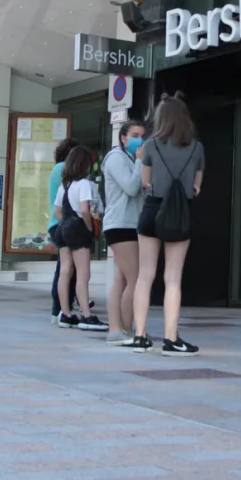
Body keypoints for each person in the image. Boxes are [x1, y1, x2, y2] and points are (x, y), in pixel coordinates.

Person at [131, 93, 205, 356]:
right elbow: (196, 187)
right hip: (179, 213)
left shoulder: (150, 146)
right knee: (173, 278)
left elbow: (145, 183)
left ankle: (139, 336)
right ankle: (171, 339)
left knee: (144, 275)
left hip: (152, 211)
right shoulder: (197, 147)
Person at [53, 146, 108, 331]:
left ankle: (66, 314)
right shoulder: (84, 184)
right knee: (83, 274)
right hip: (77, 228)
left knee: (65, 272)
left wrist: (66, 225)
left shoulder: (65, 185)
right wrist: (89, 227)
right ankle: (86, 315)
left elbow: (57, 211)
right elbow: (85, 210)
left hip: (62, 228)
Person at [101, 119, 145, 345]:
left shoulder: (128, 158)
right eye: (135, 134)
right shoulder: (116, 158)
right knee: (135, 280)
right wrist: (139, 162)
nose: (140, 139)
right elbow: (130, 187)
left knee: (121, 280)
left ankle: (117, 330)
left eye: (142, 135)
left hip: (129, 224)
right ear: (123, 137)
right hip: (121, 225)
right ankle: (124, 329)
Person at [48, 137, 80, 320]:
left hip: (59, 223)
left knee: (66, 268)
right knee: (66, 269)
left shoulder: (58, 168)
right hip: (62, 223)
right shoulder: (62, 169)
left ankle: (61, 308)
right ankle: (59, 309)